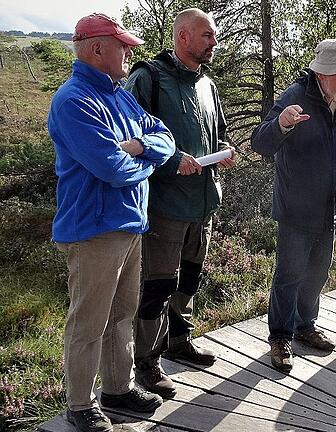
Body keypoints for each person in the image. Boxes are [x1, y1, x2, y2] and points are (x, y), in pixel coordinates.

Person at [49, 13, 175, 432]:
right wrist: (148, 163)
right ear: (97, 48)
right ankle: (80, 405)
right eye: (122, 45)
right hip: (94, 230)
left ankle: (118, 389)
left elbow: (164, 135)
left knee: (121, 314)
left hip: (127, 225)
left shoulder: (118, 95)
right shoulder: (74, 101)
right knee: (89, 321)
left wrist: (140, 146)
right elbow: (112, 169)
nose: (129, 52)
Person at [125, 8, 236, 397]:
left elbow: (219, 131)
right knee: (158, 285)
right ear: (183, 36)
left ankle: (179, 341)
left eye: (214, 36)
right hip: (164, 205)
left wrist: (224, 149)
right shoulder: (149, 78)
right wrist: (173, 160)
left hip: (203, 204)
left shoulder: (208, 84)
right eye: (207, 36)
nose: (214, 43)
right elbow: (127, 136)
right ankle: (147, 362)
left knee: (189, 277)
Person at [250, 39, 336, 373]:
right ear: (321, 74)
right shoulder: (295, 97)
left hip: (330, 208)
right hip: (296, 208)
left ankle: (306, 326)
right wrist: (283, 124)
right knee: (289, 275)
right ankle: (280, 336)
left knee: (318, 272)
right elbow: (260, 141)